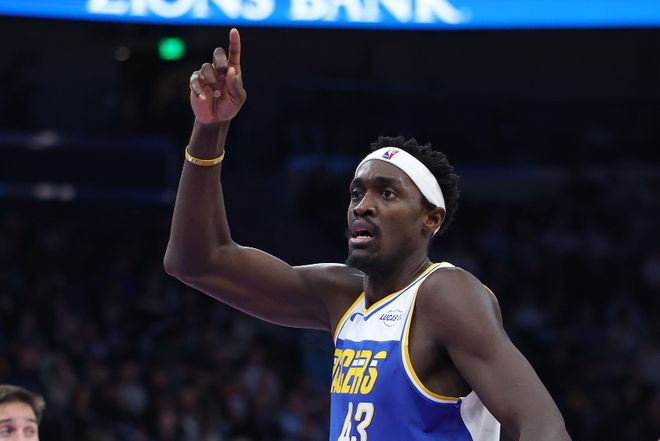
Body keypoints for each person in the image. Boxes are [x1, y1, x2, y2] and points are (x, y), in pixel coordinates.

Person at [164, 28, 571, 441]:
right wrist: (209, 128)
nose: (363, 205)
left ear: (431, 219)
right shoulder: (341, 296)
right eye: (357, 193)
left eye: (387, 193)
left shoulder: (445, 294)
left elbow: (544, 427)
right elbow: (195, 261)